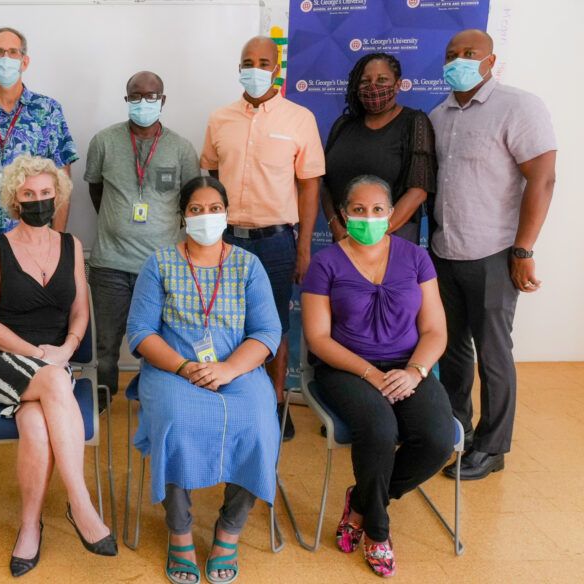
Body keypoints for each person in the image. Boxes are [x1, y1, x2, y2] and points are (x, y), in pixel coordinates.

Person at [126, 176, 281, 584]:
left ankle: (229, 530)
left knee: (259, 425)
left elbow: (267, 333)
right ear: (182, 217)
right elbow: (140, 333)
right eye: (196, 209)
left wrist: (229, 369)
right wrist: (183, 367)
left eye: (214, 209)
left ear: (227, 216)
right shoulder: (159, 263)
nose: (206, 217)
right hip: (173, 368)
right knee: (177, 422)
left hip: (237, 368)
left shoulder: (248, 265)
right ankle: (179, 532)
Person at [301, 175, 453, 577]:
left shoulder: (416, 257)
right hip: (346, 368)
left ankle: (365, 503)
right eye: (358, 210)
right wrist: (368, 372)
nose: (368, 217)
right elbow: (317, 337)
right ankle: (378, 532)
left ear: (391, 215)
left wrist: (416, 371)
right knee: (379, 430)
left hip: (407, 366)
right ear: (343, 214)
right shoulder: (326, 263)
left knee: (438, 439)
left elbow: (436, 330)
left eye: (377, 210)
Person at [0, 154, 117, 577]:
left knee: (35, 424)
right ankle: (80, 504)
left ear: (58, 197)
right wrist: (39, 355)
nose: (38, 200)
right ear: (15, 199)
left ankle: (29, 527)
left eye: (46, 194)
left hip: (55, 362)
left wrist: (68, 346)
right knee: (53, 382)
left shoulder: (71, 245)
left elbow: (79, 312)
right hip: (1, 361)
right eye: (29, 193)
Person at [430, 29, 557, 480]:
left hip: (494, 253)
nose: (459, 60)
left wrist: (524, 249)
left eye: (469, 53)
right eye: (451, 54)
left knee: (493, 352)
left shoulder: (518, 107)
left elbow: (542, 178)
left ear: (490, 60)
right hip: (445, 250)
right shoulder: (439, 115)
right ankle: (457, 429)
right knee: (453, 352)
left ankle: (493, 445)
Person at [201, 36, 325, 441]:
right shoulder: (220, 119)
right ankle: (232, 395)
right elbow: (210, 179)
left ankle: (274, 404)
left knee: (273, 325)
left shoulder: (298, 118)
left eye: (263, 61)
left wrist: (303, 245)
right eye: (246, 61)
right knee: (222, 321)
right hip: (226, 241)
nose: (254, 68)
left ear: (277, 67)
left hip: (275, 242)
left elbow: (309, 186)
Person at [84, 71, 200, 408]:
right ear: (126, 99)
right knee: (106, 342)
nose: (143, 102)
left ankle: (154, 396)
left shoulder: (181, 148)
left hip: (161, 265)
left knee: (161, 339)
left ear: (163, 100)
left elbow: (190, 198)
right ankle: (103, 397)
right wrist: (117, 220)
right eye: (136, 96)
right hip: (109, 264)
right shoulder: (104, 141)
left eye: (151, 96)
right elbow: (95, 189)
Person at [0, 27, 78, 273]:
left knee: (35, 310)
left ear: (25, 61)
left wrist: (58, 240)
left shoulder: (48, 111)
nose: (6, 59)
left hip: (37, 239)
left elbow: (63, 181)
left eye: (13, 52)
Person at [322, 53, 437, 244]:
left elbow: (418, 190)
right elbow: (325, 185)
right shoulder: (343, 125)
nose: (373, 86)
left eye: (382, 80)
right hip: (343, 240)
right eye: (365, 81)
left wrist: (374, 236)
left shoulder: (414, 122)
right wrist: (336, 227)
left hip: (393, 239)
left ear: (398, 85)